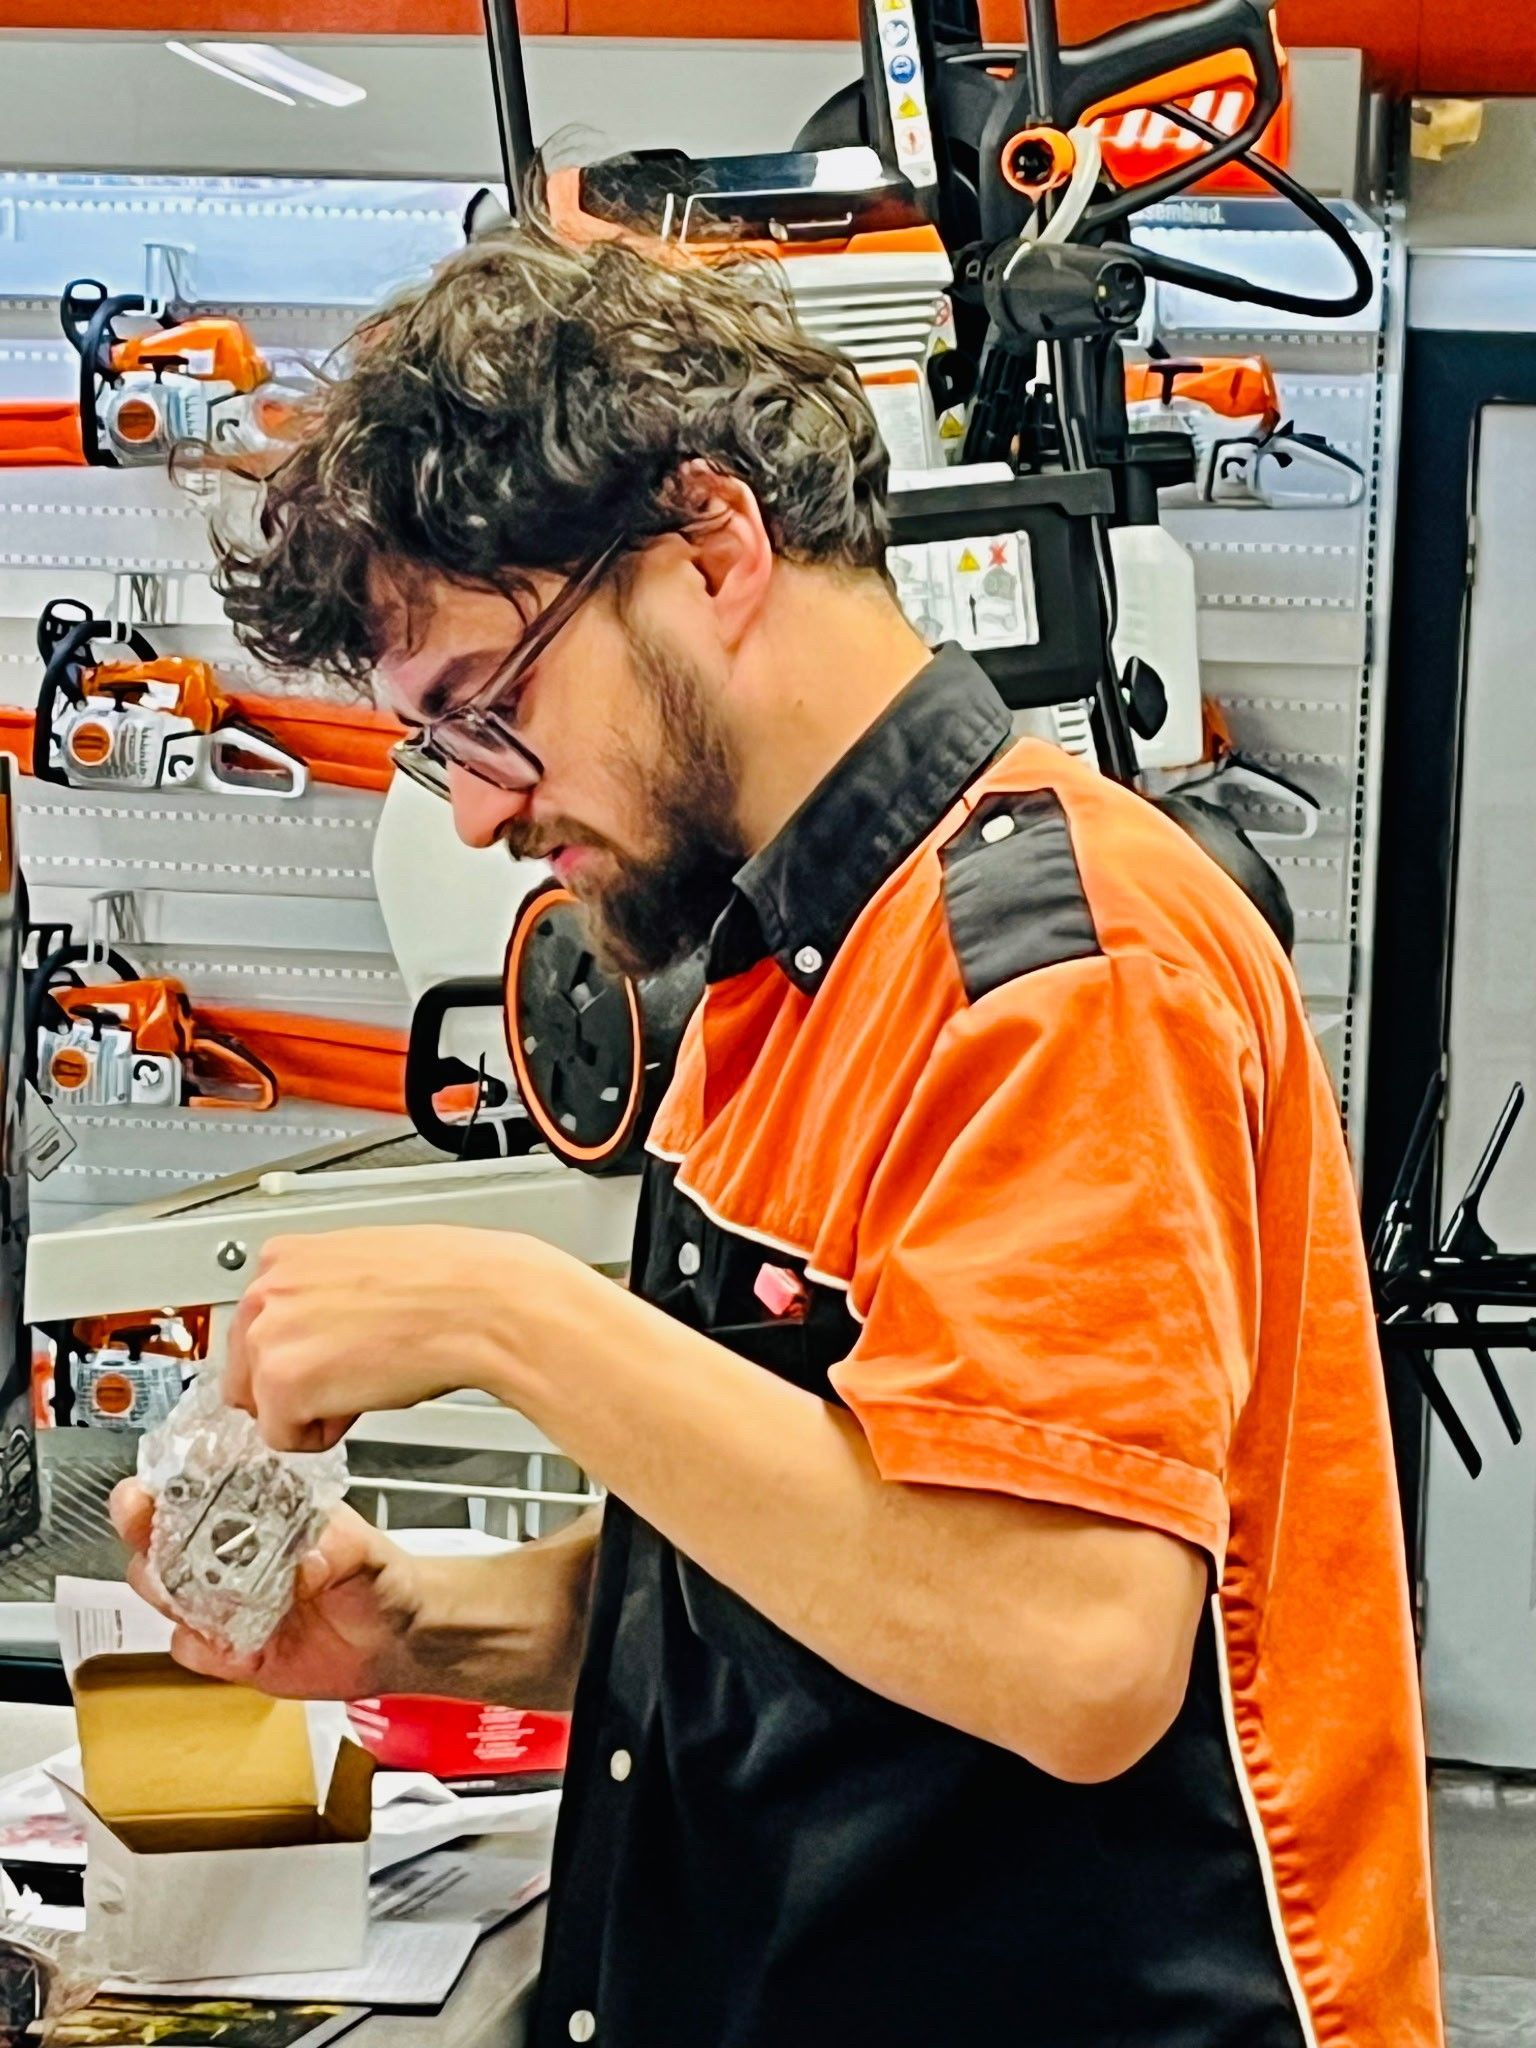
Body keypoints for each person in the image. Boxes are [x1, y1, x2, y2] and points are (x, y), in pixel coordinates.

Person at [112, 223, 1443, 2048]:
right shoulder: (777, 967)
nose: (482, 817)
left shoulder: (1054, 968)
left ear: (711, 545)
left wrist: (511, 1317)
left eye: (489, 712)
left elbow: (1069, 1651)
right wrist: (417, 1626)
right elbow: (800, 1574)